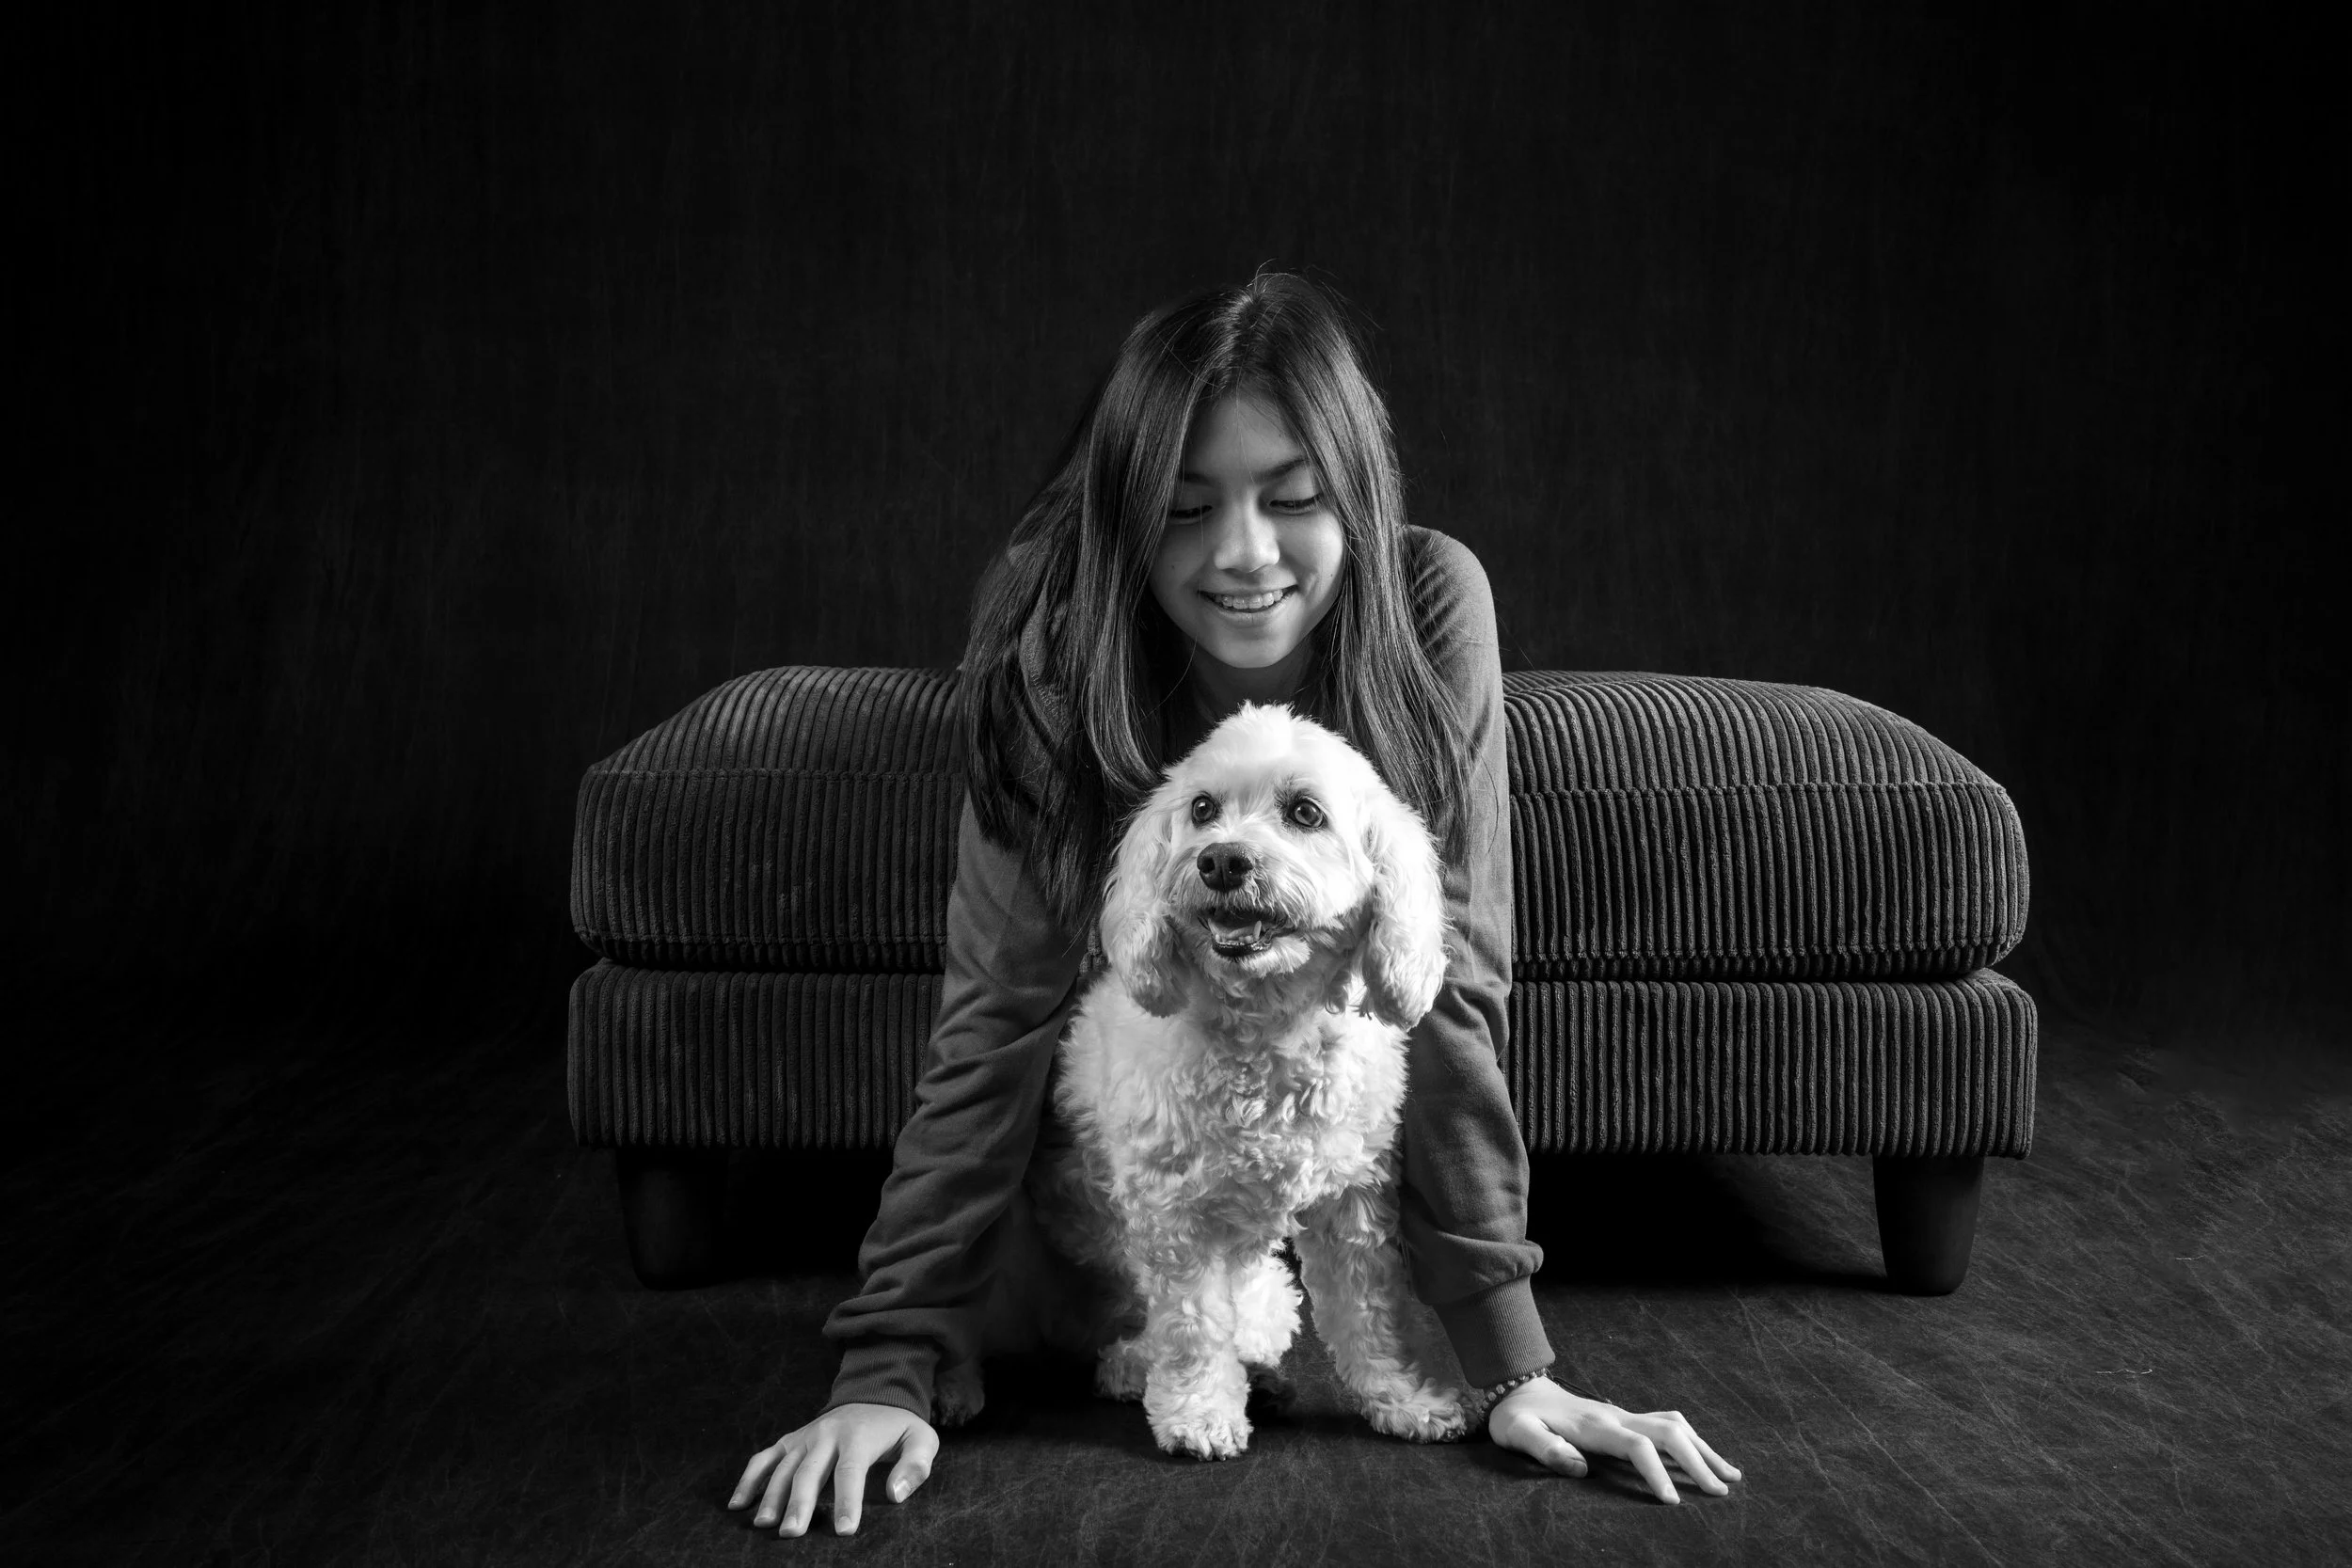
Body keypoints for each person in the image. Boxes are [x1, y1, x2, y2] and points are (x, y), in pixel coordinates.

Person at [729, 272, 1741, 1537]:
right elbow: (996, 1013)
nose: (1245, 553)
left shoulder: (1432, 601)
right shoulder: (1059, 634)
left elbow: (1450, 986)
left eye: (1296, 498)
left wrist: (1511, 1366)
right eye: (1184, 507)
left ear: (1356, 493)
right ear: (1124, 516)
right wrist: (885, 1366)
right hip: (1114, 1163)